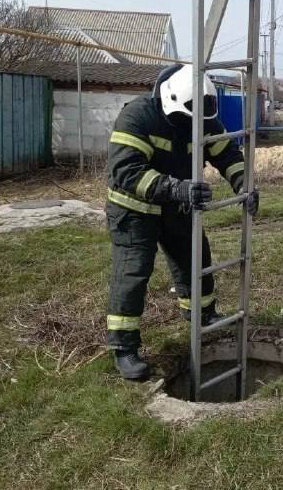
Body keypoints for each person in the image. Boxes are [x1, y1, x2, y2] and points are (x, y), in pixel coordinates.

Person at [105, 64, 258, 380]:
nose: (193, 126)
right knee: (133, 273)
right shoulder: (136, 117)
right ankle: (124, 347)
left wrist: (245, 185)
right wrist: (176, 188)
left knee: (196, 260)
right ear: (170, 100)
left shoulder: (203, 118)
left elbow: (227, 155)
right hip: (134, 211)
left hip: (177, 207)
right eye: (187, 119)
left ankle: (202, 314)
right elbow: (127, 172)